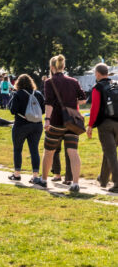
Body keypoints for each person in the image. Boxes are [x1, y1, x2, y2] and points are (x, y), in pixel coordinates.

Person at [40, 54, 85, 192]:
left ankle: (43, 180)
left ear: (52, 67)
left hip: (56, 121)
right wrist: (71, 103)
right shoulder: (73, 81)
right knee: (73, 152)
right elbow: (83, 99)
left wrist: (47, 119)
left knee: (49, 152)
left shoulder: (49, 82)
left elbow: (49, 103)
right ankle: (75, 183)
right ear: (63, 66)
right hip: (72, 122)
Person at [7, 74, 45, 183]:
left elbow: (13, 110)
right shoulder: (38, 94)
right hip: (37, 125)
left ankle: (17, 174)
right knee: (34, 150)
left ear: (18, 83)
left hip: (21, 125)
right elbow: (42, 109)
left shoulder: (17, 94)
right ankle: (35, 175)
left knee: (18, 149)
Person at [87, 63, 118, 191]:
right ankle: (103, 179)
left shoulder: (97, 87)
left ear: (98, 74)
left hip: (105, 124)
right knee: (109, 152)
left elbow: (94, 108)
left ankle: (117, 183)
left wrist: (90, 126)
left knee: (110, 153)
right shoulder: (115, 84)